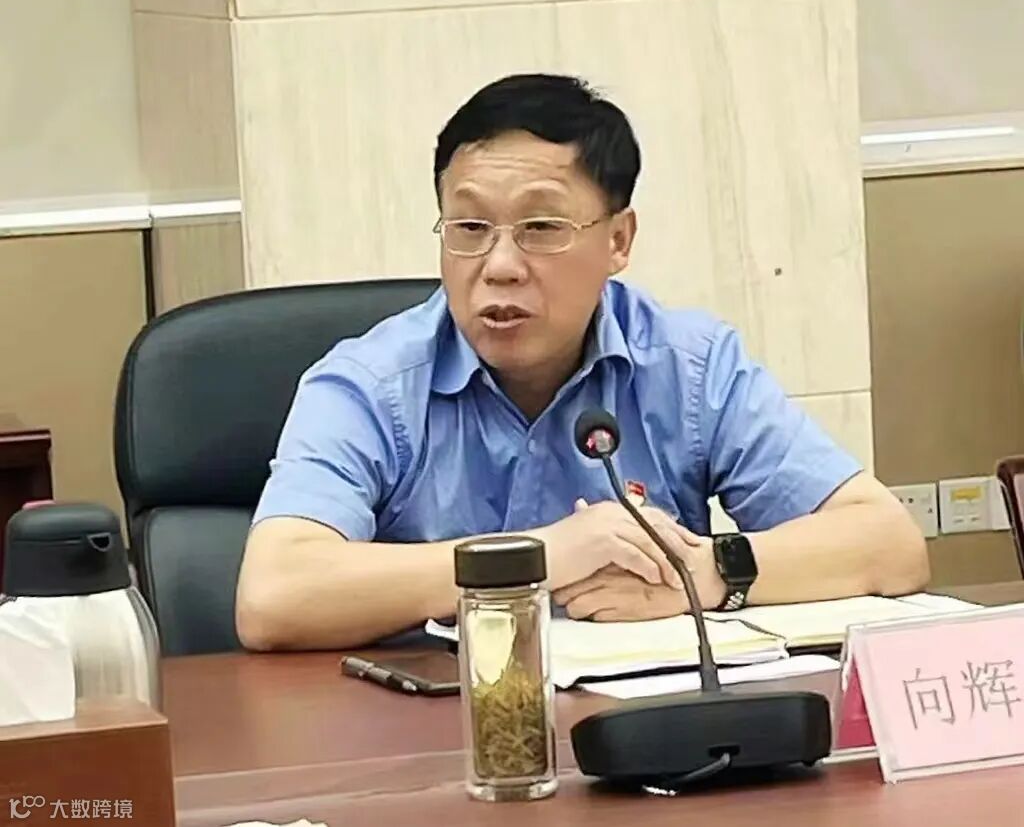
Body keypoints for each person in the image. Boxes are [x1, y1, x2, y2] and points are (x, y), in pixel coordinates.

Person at [236, 74, 929, 651]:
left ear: (618, 240)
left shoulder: (689, 367)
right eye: (470, 228)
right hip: (432, 734)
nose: (499, 266)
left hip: (651, 732)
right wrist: (538, 557)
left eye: (541, 228)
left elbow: (889, 543)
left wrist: (706, 571)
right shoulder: (371, 385)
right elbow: (273, 596)